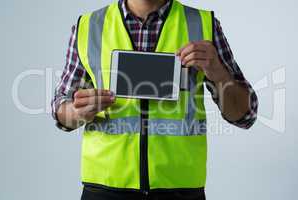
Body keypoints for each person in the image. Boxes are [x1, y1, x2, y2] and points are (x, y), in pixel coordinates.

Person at [51, 0, 258, 199]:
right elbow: (61, 109)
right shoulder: (89, 26)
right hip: (103, 188)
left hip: (181, 189)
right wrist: (76, 112)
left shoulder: (202, 24)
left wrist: (218, 72)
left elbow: (245, 115)